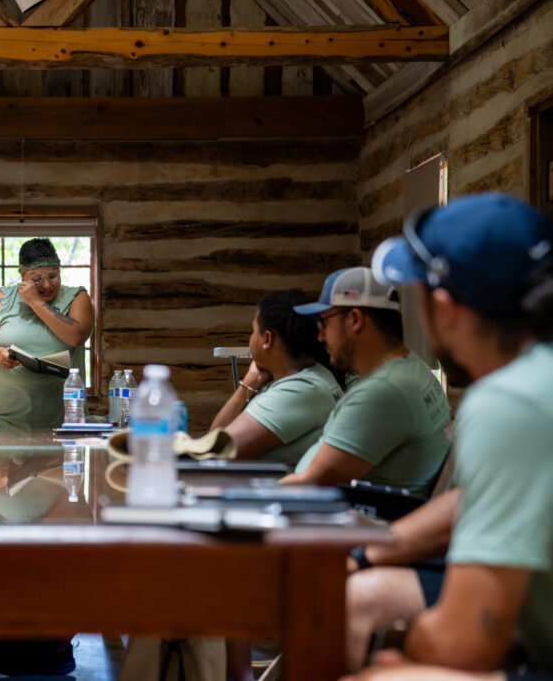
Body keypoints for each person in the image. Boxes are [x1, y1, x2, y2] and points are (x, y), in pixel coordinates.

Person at [342, 193, 553, 680]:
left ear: (446, 307)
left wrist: (400, 642)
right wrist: (366, 553)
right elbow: (480, 500)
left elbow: (465, 644)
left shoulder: (507, 401)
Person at [282, 267, 451, 495]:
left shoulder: (384, 392)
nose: (320, 335)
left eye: (324, 323)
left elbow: (312, 484)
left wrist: (254, 493)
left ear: (354, 319)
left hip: (351, 521)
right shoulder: (411, 366)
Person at [0, 238, 95, 429]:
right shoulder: (2, 299)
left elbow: (76, 336)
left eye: (53, 276)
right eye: (36, 279)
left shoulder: (76, 297)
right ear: (23, 276)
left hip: (63, 423)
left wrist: (35, 302)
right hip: (5, 420)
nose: (46, 285)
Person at [209, 289, 343, 466]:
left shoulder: (300, 390)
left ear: (267, 339)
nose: (251, 338)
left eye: (253, 331)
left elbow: (216, 452)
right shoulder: (314, 375)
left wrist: (246, 386)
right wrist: (250, 382)